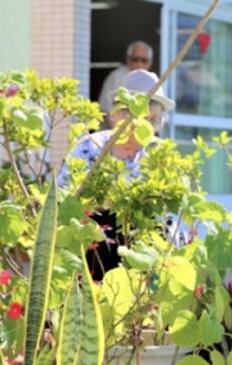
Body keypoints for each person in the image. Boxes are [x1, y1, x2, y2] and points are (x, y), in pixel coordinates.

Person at [59, 69, 175, 280]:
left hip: (143, 267)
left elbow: (170, 217)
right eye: (147, 119)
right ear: (120, 116)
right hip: (91, 262)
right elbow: (63, 204)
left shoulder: (158, 155)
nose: (152, 129)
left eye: (156, 121)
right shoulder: (90, 149)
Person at [98, 41, 154, 122]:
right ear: (128, 59)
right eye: (135, 59)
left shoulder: (153, 81)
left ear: (150, 63)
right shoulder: (116, 76)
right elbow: (105, 109)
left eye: (144, 60)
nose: (139, 63)